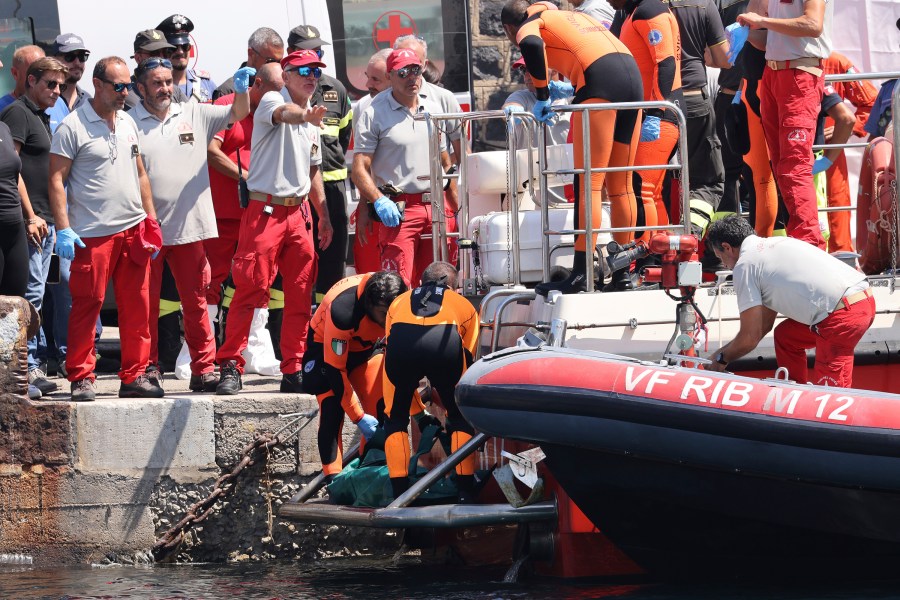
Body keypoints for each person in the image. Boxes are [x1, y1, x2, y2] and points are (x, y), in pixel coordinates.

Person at [500, 0, 642, 294]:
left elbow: (529, 43)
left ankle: (582, 273)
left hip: (598, 78)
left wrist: (541, 95)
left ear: (507, 28)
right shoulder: (565, 16)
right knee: (622, 185)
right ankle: (622, 273)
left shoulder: (530, 23)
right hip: (630, 72)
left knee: (588, 183)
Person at [215, 49, 333, 395]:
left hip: (299, 214)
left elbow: (314, 171)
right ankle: (231, 365)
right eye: (304, 71)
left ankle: (294, 367)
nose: (312, 77)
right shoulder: (271, 100)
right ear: (287, 73)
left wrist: (323, 214)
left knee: (299, 294)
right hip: (265, 211)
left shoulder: (312, 117)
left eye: (316, 71)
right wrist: (306, 115)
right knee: (249, 289)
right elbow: (287, 114)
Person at [132, 57, 253, 392]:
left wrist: (240, 91)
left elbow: (238, 113)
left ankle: (203, 368)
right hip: (148, 231)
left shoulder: (194, 112)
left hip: (190, 228)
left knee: (196, 302)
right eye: (157, 83)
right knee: (145, 304)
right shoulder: (128, 122)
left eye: (168, 81)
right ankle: (148, 366)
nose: (165, 88)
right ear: (140, 87)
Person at [48, 56, 163, 401]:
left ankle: (134, 375)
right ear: (97, 85)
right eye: (118, 86)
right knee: (88, 304)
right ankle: (81, 376)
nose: (125, 92)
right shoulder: (72, 126)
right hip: (93, 234)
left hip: (132, 230)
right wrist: (63, 229)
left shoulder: (126, 121)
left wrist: (151, 219)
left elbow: (140, 172)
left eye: (128, 85)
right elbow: (56, 179)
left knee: (137, 306)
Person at [705, 215, 874, 388]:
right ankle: (794, 389)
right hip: (861, 300)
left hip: (841, 316)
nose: (724, 265)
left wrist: (721, 358)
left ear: (727, 247)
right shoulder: (777, 244)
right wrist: (721, 354)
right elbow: (763, 326)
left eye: (720, 258)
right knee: (786, 337)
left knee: (831, 397)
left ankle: (813, 403)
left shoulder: (745, 265)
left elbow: (750, 337)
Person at [351, 48, 454, 287]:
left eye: (416, 70)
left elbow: (445, 162)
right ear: (390, 77)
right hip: (400, 211)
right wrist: (376, 200)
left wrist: (455, 208)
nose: (411, 77)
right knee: (398, 286)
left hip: (436, 207)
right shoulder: (374, 113)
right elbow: (359, 169)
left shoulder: (432, 108)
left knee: (440, 286)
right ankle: (400, 325)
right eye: (403, 72)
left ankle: (435, 326)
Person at [737, 0, 834, 249]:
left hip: (800, 74)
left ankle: (809, 244)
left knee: (793, 166)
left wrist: (761, 22)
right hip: (775, 74)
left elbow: (813, 25)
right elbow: (768, 40)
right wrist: (745, 31)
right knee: (782, 166)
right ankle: (802, 242)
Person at [0, 57, 68, 399]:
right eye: (49, 85)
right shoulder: (17, 114)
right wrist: (31, 215)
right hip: (33, 219)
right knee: (29, 295)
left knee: (37, 295)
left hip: (48, 218)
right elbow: (12, 171)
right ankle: (26, 367)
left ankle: (31, 364)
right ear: (30, 81)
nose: (56, 91)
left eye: (60, 86)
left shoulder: (43, 115)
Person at [383, 262, 480, 502]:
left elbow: (389, 340)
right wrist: (448, 397)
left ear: (421, 282)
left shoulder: (399, 301)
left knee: (395, 421)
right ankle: (465, 491)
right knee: (459, 418)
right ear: (451, 286)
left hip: (402, 349)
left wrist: (415, 406)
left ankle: (399, 494)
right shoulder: (463, 304)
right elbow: (469, 351)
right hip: (444, 346)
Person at [206, 63, 284, 350]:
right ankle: (200, 350)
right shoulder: (228, 105)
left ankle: (254, 348)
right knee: (211, 279)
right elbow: (211, 151)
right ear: (258, 84)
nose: (278, 97)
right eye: (274, 90)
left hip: (262, 212)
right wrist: (248, 177)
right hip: (224, 212)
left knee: (260, 278)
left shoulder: (278, 110)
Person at [301, 271, 407, 478]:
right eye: (383, 313)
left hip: (367, 348)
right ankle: (333, 479)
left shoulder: (402, 298)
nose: (388, 319)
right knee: (332, 410)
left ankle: (372, 472)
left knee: (380, 408)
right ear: (369, 305)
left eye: (392, 312)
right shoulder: (343, 311)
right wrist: (357, 417)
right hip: (325, 350)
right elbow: (335, 369)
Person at [286, 24, 353, 304]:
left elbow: (344, 137)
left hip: (332, 189)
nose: (315, 56)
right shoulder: (283, 91)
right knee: (297, 263)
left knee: (333, 262)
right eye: (308, 51)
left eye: (318, 50)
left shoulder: (335, 89)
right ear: (291, 55)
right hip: (296, 192)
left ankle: (328, 319)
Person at [610, 0, 683, 249]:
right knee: (651, 192)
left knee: (641, 188)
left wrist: (656, 110)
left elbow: (666, 62)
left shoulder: (649, 10)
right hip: (651, 111)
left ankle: (644, 256)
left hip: (658, 114)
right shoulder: (633, 13)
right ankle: (661, 255)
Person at [664, 0, 731, 261]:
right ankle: (688, 236)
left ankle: (651, 251)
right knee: (708, 180)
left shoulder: (636, 5)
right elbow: (723, 59)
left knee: (652, 185)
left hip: (652, 102)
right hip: (693, 97)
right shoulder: (703, 5)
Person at [44, 33, 94, 382]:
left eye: (82, 56)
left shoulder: (92, 100)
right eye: (70, 56)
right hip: (58, 207)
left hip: (90, 206)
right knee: (62, 283)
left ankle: (86, 350)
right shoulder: (47, 100)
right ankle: (65, 353)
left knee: (91, 284)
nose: (77, 62)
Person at [820, 51, 878, 253]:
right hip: (789, 150)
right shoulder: (774, 59)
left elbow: (871, 103)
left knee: (835, 208)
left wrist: (848, 127)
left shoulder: (835, 62)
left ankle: (842, 265)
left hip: (830, 155)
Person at [351, 48, 392, 276]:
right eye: (367, 76)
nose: (368, 84)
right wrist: (364, 206)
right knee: (371, 274)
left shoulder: (422, 102)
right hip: (375, 203)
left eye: (375, 79)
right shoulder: (363, 107)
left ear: (393, 76)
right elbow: (363, 166)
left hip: (409, 204)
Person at [156, 14, 217, 104]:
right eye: (173, 47)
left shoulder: (206, 83)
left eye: (185, 46)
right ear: (162, 51)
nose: (180, 52)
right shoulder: (156, 88)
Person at [213, 27, 284, 101]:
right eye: (271, 61)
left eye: (280, 62)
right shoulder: (227, 91)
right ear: (251, 54)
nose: (277, 66)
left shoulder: (284, 88)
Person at [124, 30, 182, 111]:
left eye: (166, 53)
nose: (161, 58)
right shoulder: (126, 93)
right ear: (138, 58)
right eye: (155, 53)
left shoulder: (175, 91)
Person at [0, 45, 45, 111]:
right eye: (34, 72)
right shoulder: (3, 109)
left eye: (45, 71)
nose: (41, 77)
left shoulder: (56, 102)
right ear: (15, 73)